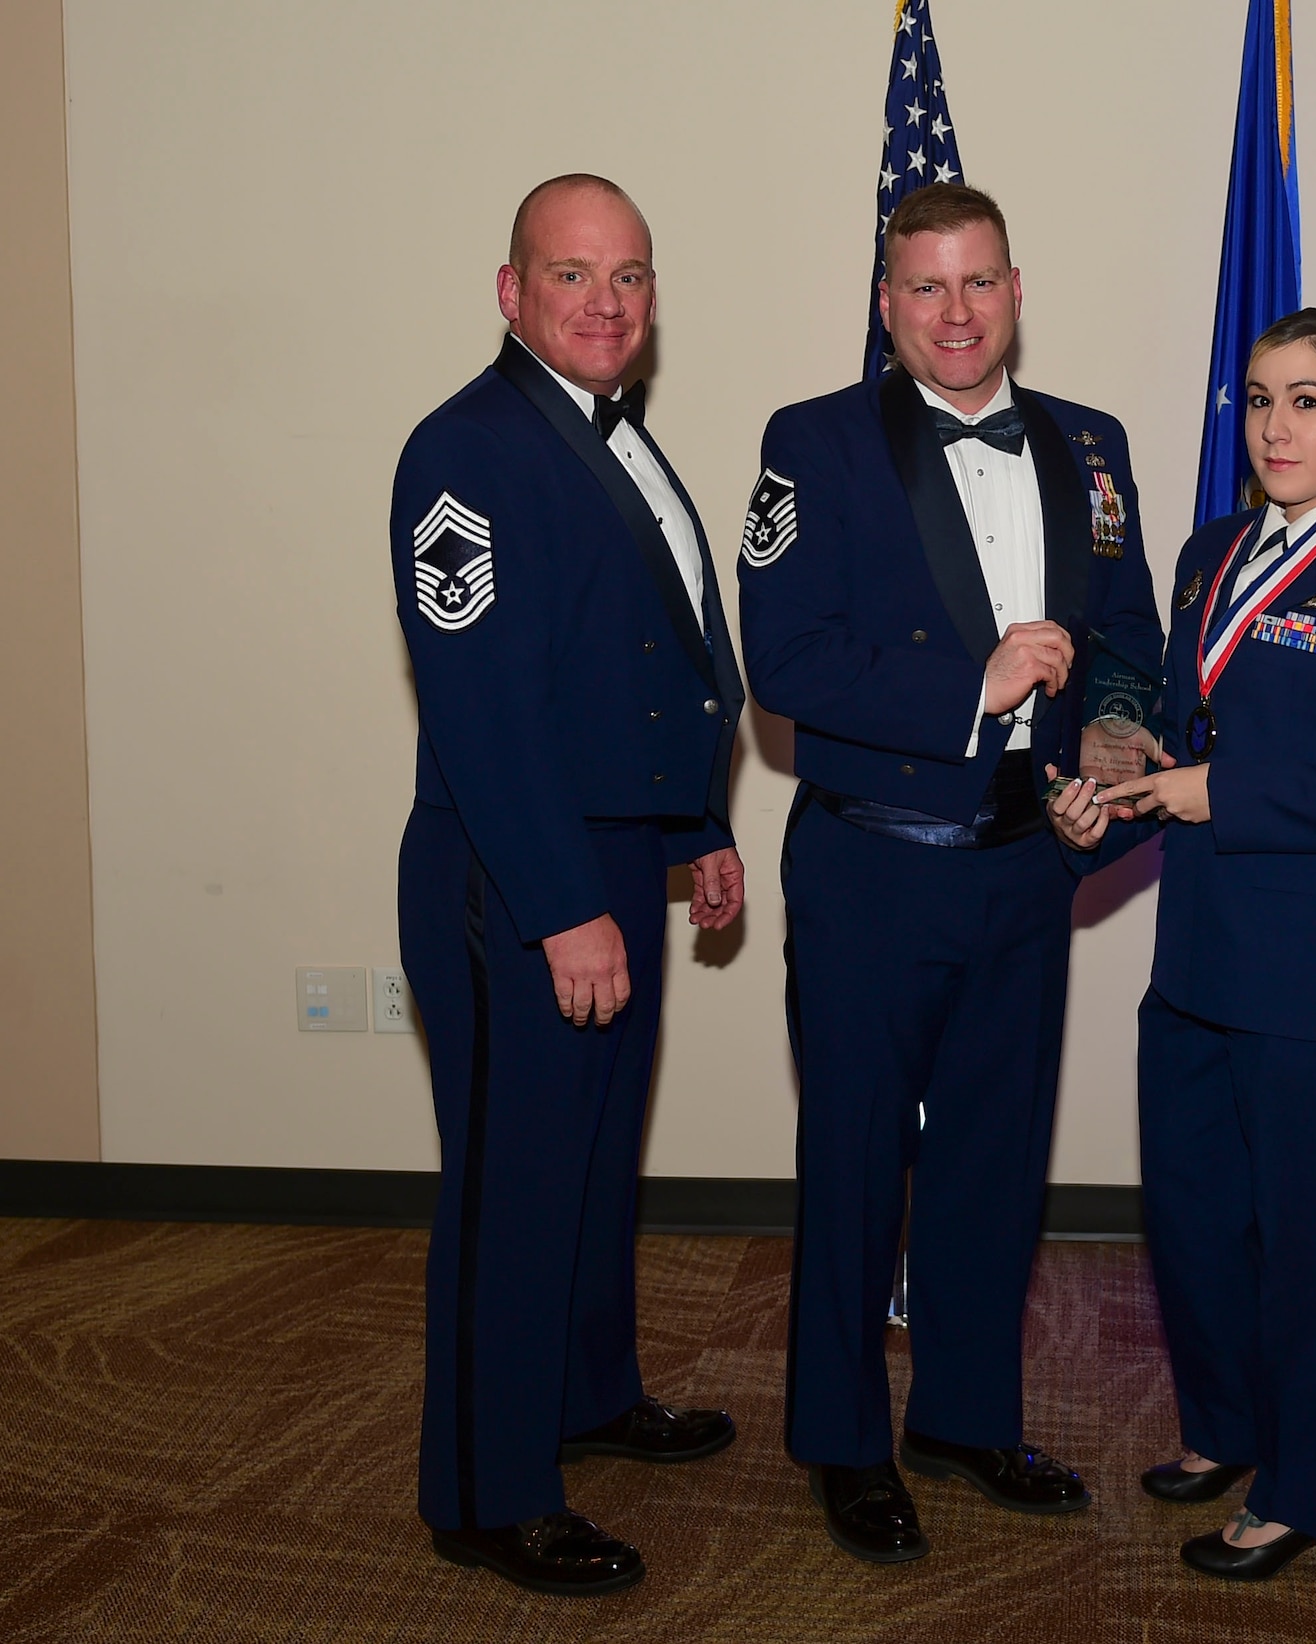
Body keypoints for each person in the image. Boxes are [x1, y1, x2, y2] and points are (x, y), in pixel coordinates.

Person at [736, 183, 1164, 1564]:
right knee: (857, 1166)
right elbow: (784, 663)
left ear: (1016, 288)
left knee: (993, 1162)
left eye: (978, 283)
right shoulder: (813, 442)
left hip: (1028, 869)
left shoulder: (1089, 446)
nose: (957, 312)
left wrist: (1108, 755)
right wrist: (966, 687)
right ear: (885, 303)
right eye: (925, 287)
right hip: (872, 867)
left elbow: (1124, 646)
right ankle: (846, 1442)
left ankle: (966, 1415)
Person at [1051, 308, 1316, 1580]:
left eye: (1307, 401)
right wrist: (1110, 799)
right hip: (1197, 959)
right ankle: (1226, 1428)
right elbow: (1187, 747)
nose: (1275, 427)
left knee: (1309, 1241)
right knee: (1190, 1221)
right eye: (1258, 399)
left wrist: (1216, 795)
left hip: (1311, 979)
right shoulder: (1207, 553)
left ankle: (1305, 1488)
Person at [391, 174, 746, 1598]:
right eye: (571, 274)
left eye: (630, 277)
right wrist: (559, 902)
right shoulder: (466, 451)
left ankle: (589, 1395)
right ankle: (485, 1488)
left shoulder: (617, 440)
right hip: (511, 872)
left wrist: (690, 830)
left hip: (610, 853)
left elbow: (646, 664)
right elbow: (484, 711)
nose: (605, 303)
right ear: (510, 290)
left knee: (597, 1170)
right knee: (514, 1188)